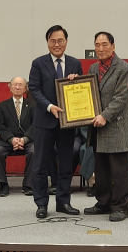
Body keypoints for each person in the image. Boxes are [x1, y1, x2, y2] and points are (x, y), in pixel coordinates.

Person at [29, 25, 83, 218]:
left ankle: (63, 202)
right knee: (41, 165)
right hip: (45, 121)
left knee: (66, 164)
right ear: (47, 42)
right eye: (53, 41)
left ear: (66, 42)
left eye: (60, 40)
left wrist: (75, 80)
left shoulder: (75, 64)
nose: (57, 44)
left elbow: (80, 90)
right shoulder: (38, 63)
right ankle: (41, 204)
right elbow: (34, 89)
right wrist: (49, 106)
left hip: (67, 123)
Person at [84, 32, 128, 222]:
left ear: (113, 46)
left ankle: (121, 206)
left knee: (119, 170)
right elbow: (87, 92)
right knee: (102, 168)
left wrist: (105, 115)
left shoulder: (124, 68)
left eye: (105, 44)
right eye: (97, 45)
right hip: (97, 128)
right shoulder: (93, 68)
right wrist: (74, 81)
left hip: (117, 127)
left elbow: (121, 98)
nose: (101, 48)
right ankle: (103, 203)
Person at [0, 77, 35, 197]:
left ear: (25, 89)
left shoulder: (32, 105)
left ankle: (28, 184)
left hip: (27, 140)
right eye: (15, 85)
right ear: (10, 87)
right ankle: (2, 184)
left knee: (34, 151)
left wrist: (24, 139)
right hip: (7, 140)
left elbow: (35, 125)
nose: (17, 87)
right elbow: (0, 126)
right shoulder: (1, 106)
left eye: (20, 85)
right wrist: (12, 139)